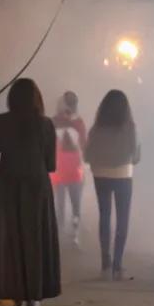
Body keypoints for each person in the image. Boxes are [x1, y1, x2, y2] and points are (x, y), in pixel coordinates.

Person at [0, 78, 61, 306]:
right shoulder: (46, 125)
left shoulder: (0, 122)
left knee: (11, 240)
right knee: (36, 238)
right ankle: (35, 296)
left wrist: (4, 163)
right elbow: (51, 164)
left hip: (8, 187)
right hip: (37, 188)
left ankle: (16, 294)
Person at [85, 89, 140, 280]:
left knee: (105, 216)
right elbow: (136, 156)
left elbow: (87, 154)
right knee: (122, 219)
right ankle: (118, 266)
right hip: (123, 174)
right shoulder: (130, 128)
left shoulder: (96, 129)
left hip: (100, 174)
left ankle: (105, 264)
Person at [51, 90, 88, 244]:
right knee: (76, 204)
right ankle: (75, 235)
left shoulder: (52, 122)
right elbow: (84, 146)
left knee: (59, 203)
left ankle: (59, 233)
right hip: (75, 169)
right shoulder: (79, 123)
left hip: (57, 169)